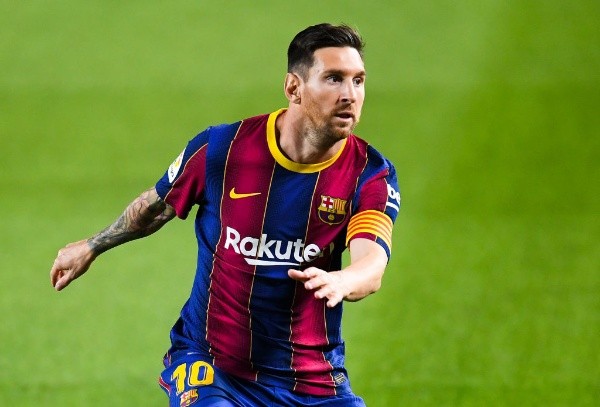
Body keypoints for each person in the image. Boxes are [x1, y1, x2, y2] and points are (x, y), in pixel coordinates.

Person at [50, 23, 400, 407]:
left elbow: (372, 264)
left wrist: (342, 280)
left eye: (358, 80)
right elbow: (156, 206)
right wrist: (93, 245)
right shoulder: (222, 149)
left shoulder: (370, 174)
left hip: (312, 380)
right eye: (334, 79)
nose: (350, 95)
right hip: (213, 365)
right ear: (293, 88)